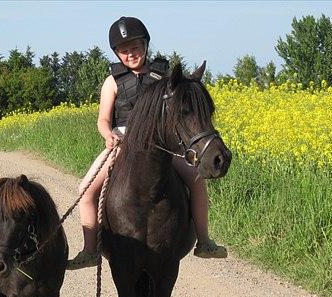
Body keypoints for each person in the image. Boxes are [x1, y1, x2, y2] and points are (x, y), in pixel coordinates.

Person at [67, 16, 227, 270]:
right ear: (117, 53)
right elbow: (102, 119)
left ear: (146, 45)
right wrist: (109, 135)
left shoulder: (163, 76)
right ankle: (90, 249)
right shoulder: (113, 82)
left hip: (162, 145)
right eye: (125, 50)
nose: (131, 54)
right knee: (86, 190)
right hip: (124, 142)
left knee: (196, 182)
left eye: (136, 47)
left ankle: (204, 241)